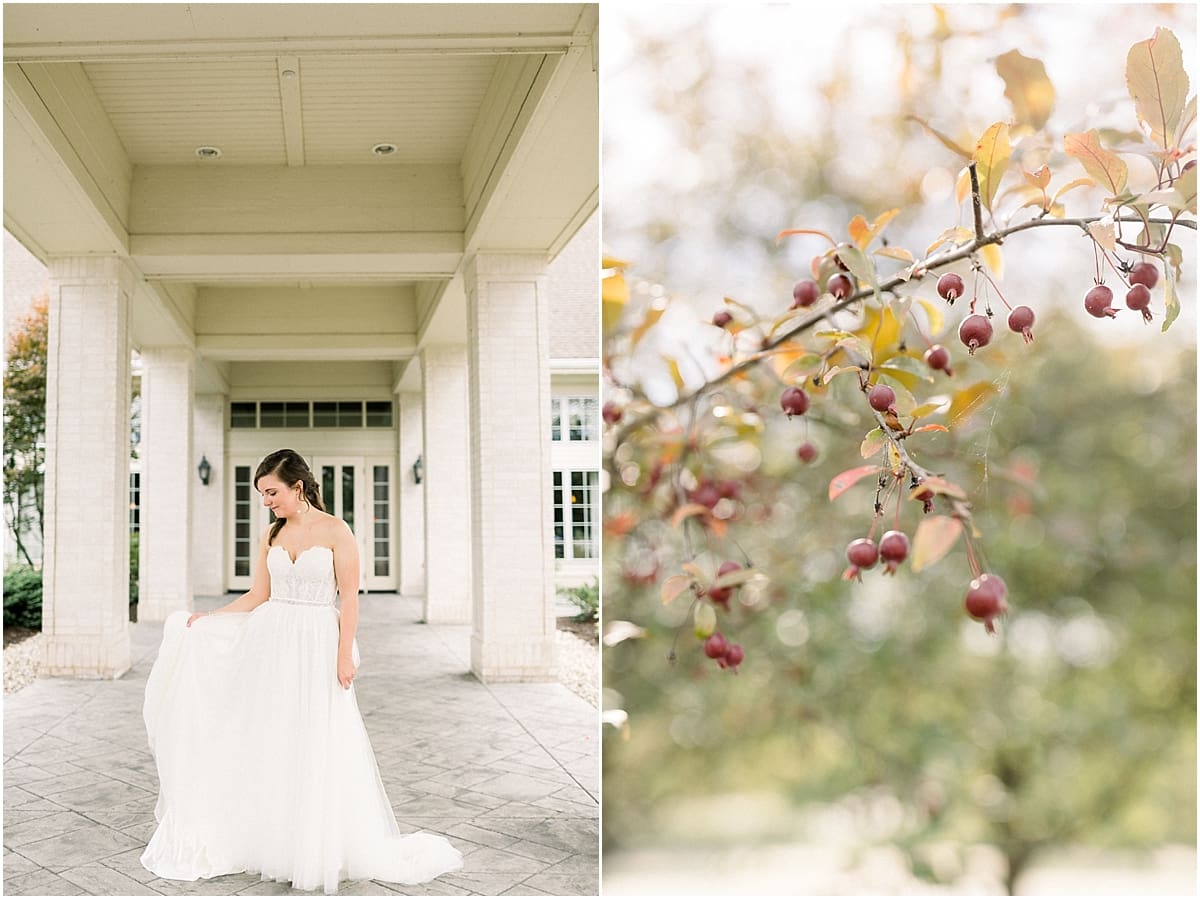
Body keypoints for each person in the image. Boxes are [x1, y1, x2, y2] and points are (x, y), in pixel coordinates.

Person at [140, 448, 463, 893]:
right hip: (271, 641)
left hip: (317, 640)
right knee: (274, 735)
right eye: (262, 495)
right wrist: (210, 617)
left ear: (297, 486)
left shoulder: (336, 530)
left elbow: (349, 597)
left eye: (271, 492)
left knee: (317, 735)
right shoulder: (271, 534)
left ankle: (316, 844)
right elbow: (257, 595)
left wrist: (344, 653)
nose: (266, 501)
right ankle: (276, 838)